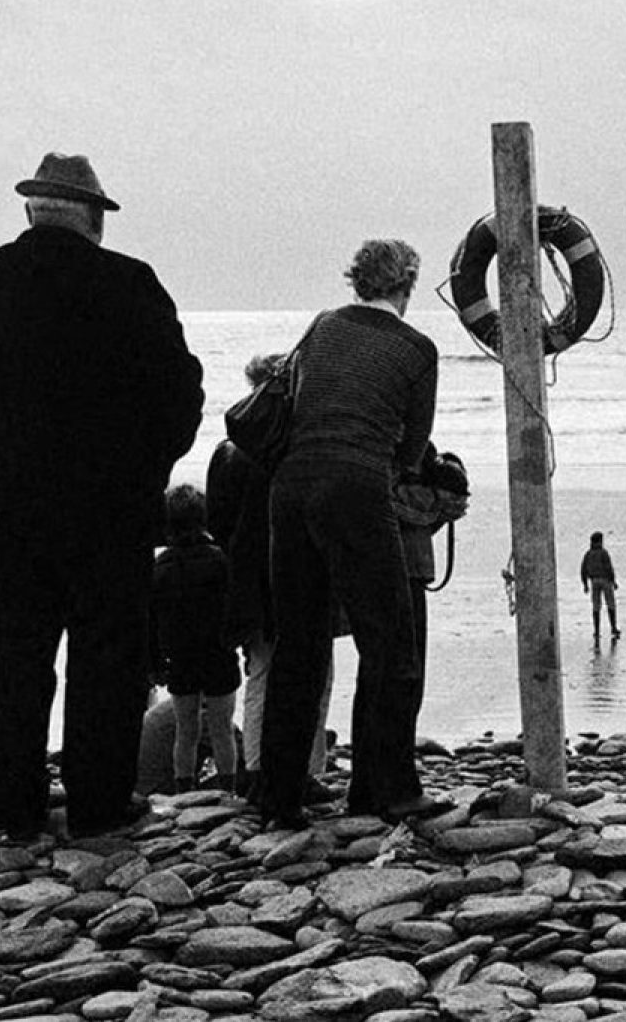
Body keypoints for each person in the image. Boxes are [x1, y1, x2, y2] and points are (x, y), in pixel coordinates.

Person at [0, 153, 204, 838]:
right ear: (94, 220)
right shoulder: (130, 284)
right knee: (106, 662)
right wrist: (147, 469)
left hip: (4, 514)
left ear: (31, 212)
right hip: (109, 515)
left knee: (11, 660)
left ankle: (11, 805)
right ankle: (98, 803)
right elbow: (180, 395)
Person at [258, 239, 442, 829]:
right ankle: (383, 787)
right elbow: (411, 449)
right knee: (389, 644)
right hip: (357, 484)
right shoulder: (416, 349)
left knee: (299, 644)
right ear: (406, 283)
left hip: (291, 485)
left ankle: (279, 795)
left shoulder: (322, 326)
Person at [208, 356, 336, 802]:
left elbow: (217, 520)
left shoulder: (229, 449)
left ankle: (258, 766)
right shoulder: (291, 442)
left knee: (262, 671)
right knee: (313, 672)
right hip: (292, 567)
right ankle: (304, 768)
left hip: (246, 575)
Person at [150, 484, 241, 791]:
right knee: (222, 730)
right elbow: (233, 607)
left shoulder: (161, 566)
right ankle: (229, 788)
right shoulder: (220, 560)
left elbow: (153, 618)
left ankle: (183, 790)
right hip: (218, 654)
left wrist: (156, 658)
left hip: (181, 657)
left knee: (185, 732)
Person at [391, 444, 470, 755]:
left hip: (399, 567)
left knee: (398, 667)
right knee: (405, 668)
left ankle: (393, 752)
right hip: (407, 569)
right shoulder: (410, 444)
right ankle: (395, 754)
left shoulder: (389, 440)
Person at [581, 532, 621, 641]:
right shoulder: (604, 553)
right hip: (605, 580)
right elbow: (609, 568)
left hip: (594, 581)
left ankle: (597, 631)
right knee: (611, 604)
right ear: (600, 541)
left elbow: (583, 570)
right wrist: (614, 581)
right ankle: (613, 628)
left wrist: (585, 584)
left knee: (596, 606)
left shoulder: (588, 554)